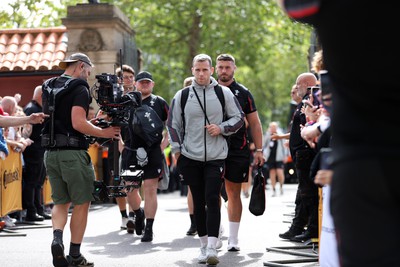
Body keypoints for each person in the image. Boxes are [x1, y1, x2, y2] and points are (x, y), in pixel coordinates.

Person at [41, 53, 121, 267]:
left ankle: (57, 238)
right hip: (73, 153)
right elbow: (77, 123)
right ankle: (75, 255)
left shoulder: (48, 86)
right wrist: (105, 133)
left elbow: (63, 120)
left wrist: (91, 123)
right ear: (79, 66)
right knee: (82, 202)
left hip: (51, 154)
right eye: (87, 71)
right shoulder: (79, 88)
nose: (88, 75)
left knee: (59, 202)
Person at [167, 53, 244, 265]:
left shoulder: (224, 93)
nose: (201, 74)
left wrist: (222, 128)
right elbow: (173, 125)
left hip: (216, 156)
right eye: (197, 70)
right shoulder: (182, 96)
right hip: (190, 156)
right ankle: (202, 246)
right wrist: (177, 151)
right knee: (198, 202)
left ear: (211, 70)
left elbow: (239, 119)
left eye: (205, 70)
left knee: (212, 198)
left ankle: (212, 247)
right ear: (192, 71)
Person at [215, 53, 264, 252]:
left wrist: (259, 149)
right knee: (212, 193)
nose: (224, 71)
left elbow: (254, 123)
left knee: (233, 192)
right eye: (221, 67)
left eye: (228, 67)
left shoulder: (243, 93)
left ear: (234, 68)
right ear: (215, 69)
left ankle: (233, 239)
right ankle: (215, 231)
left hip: (238, 150)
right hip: (211, 149)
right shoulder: (207, 91)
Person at [120, 70, 170, 242]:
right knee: (131, 189)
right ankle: (138, 213)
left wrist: (164, 145)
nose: (145, 84)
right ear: (135, 84)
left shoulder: (159, 102)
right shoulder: (126, 101)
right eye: (142, 82)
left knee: (150, 188)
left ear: (152, 84)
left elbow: (171, 125)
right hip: (131, 152)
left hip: (153, 151)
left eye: (148, 82)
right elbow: (114, 123)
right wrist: (120, 143)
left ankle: (149, 227)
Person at [274, 72, 320, 242]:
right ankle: (298, 226)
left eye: (298, 84)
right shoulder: (304, 102)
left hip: (306, 154)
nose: (296, 88)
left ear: (306, 84)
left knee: (308, 195)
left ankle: (312, 230)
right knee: (302, 195)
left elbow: (310, 125)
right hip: (301, 154)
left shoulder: (311, 100)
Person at [22, 86, 52, 222]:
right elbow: (25, 132)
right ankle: (31, 211)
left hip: (41, 150)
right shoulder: (31, 109)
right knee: (32, 182)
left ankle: (39, 209)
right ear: (41, 95)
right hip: (33, 151)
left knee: (39, 182)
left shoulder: (39, 108)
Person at [181, 76, 197, 236]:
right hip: (189, 149)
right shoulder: (181, 102)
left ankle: (199, 221)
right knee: (192, 188)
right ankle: (194, 222)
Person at [263, 121, 286, 196]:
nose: (273, 128)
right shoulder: (268, 135)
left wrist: (285, 155)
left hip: (279, 156)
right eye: (271, 127)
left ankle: (281, 187)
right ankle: (273, 189)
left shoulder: (280, 134)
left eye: (274, 127)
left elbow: (284, 146)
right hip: (270, 157)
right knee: (272, 173)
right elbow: (264, 144)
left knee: (280, 172)